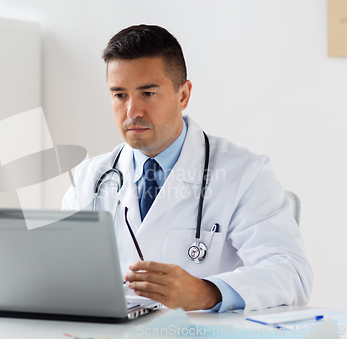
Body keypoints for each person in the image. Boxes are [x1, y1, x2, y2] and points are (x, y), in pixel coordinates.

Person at [61, 24, 313, 312]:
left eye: (147, 93)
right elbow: (56, 268)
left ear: (183, 95)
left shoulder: (244, 172)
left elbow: (292, 272)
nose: (132, 112)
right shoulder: (90, 178)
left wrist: (209, 292)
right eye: (120, 95)